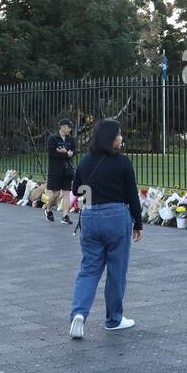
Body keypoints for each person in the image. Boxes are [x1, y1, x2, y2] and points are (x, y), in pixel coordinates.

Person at [68, 119, 143, 339]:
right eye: (119, 134)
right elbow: (132, 196)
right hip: (116, 216)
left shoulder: (85, 162)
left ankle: (78, 314)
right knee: (116, 270)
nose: (121, 138)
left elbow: (77, 190)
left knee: (89, 269)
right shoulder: (123, 162)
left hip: (90, 216)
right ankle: (114, 319)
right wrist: (138, 223)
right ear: (110, 139)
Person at [45, 117, 77, 223]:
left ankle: (65, 216)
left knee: (67, 193)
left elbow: (74, 151)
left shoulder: (71, 139)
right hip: (55, 170)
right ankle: (48, 209)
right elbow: (52, 153)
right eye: (69, 127)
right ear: (63, 127)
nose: (70, 129)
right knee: (56, 193)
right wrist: (65, 153)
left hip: (67, 170)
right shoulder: (53, 139)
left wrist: (68, 152)